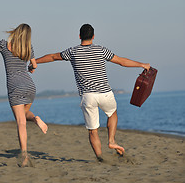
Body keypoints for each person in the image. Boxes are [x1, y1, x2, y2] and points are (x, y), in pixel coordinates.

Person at [32, 23, 150, 161]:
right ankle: (111, 140)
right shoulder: (101, 50)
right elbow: (121, 62)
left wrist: (34, 62)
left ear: (79, 36)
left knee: (93, 131)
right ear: (93, 36)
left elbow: (52, 57)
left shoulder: (73, 52)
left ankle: (100, 158)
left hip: (88, 96)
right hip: (105, 93)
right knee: (112, 114)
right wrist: (142, 64)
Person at [0, 22, 48, 167]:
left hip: (14, 86)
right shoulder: (28, 47)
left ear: (16, 32)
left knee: (21, 122)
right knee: (25, 114)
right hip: (29, 86)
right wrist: (31, 67)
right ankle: (35, 119)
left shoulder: (4, 45)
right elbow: (34, 65)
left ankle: (24, 156)